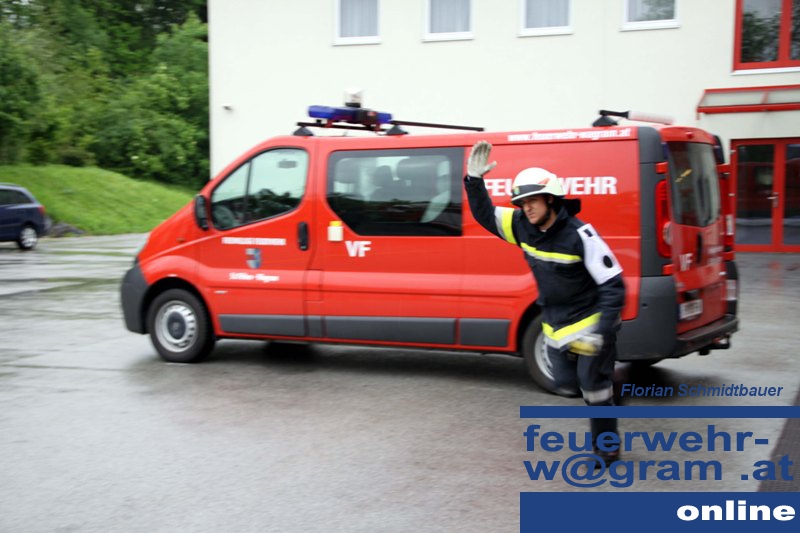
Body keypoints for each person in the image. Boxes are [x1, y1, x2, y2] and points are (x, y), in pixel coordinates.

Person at [464, 140, 626, 466]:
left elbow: (614, 287)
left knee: (593, 389)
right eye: (522, 203)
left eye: (532, 201)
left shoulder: (581, 235)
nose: (526, 208)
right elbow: (485, 214)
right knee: (565, 384)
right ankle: (615, 385)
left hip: (590, 322)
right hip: (555, 324)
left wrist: (602, 331)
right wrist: (474, 181)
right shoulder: (521, 227)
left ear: (551, 199)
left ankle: (606, 450)